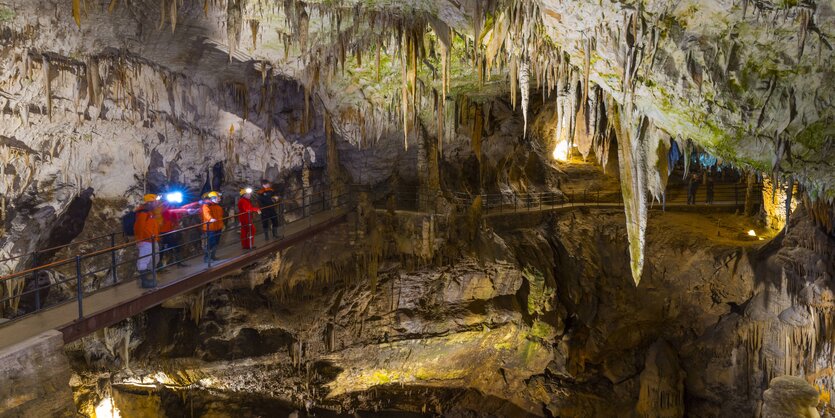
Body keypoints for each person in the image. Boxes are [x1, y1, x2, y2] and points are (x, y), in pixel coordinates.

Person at [159, 198, 199, 267]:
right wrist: (187, 210)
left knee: (176, 247)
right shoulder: (162, 210)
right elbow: (174, 211)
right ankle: (160, 266)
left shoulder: (170, 210)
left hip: (170, 232)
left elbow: (176, 214)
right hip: (162, 233)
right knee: (162, 249)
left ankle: (178, 262)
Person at [134, 194, 162, 288]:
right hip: (146, 241)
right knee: (143, 260)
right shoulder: (143, 213)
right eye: (155, 202)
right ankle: (144, 282)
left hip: (152, 240)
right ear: (150, 202)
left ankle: (149, 278)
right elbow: (138, 227)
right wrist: (140, 240)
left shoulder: (150, 213)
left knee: (153, 258)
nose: (157, 203)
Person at [201, 191, 224, 263]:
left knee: (216, 242)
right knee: (211, 242)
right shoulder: (206, 206)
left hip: (218, 227)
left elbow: (220, 217)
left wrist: (222, 224)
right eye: (218, 198)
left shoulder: (218, 207)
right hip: (210, 228)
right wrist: (210, 219)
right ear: (213, 198)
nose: (219, 199)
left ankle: (213, 256)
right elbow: (206, 214)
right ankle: (206, 257)